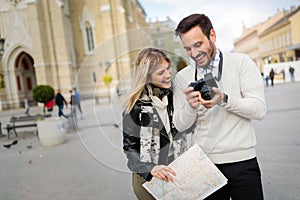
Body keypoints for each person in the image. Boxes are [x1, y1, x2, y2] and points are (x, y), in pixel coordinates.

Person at [173, 14, 266, 200]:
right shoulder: (183, 77)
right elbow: (180, 125)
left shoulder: (241, 62)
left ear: (212, 35)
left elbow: (259, 109)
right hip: (204, 165)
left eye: (198, 45)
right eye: (188, 49)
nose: (193, 54)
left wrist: (224, 99)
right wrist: (190, 107)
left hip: (243, 162)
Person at [122, 48, 191, 200]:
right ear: (146, 77)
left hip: (176, 171)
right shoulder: (134, 108)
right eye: (160, 73)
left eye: (168, 69)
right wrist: (151, 169)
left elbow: (187, 126)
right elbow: (130, 149)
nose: (167, 75)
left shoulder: (176, 96)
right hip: (149, 179)